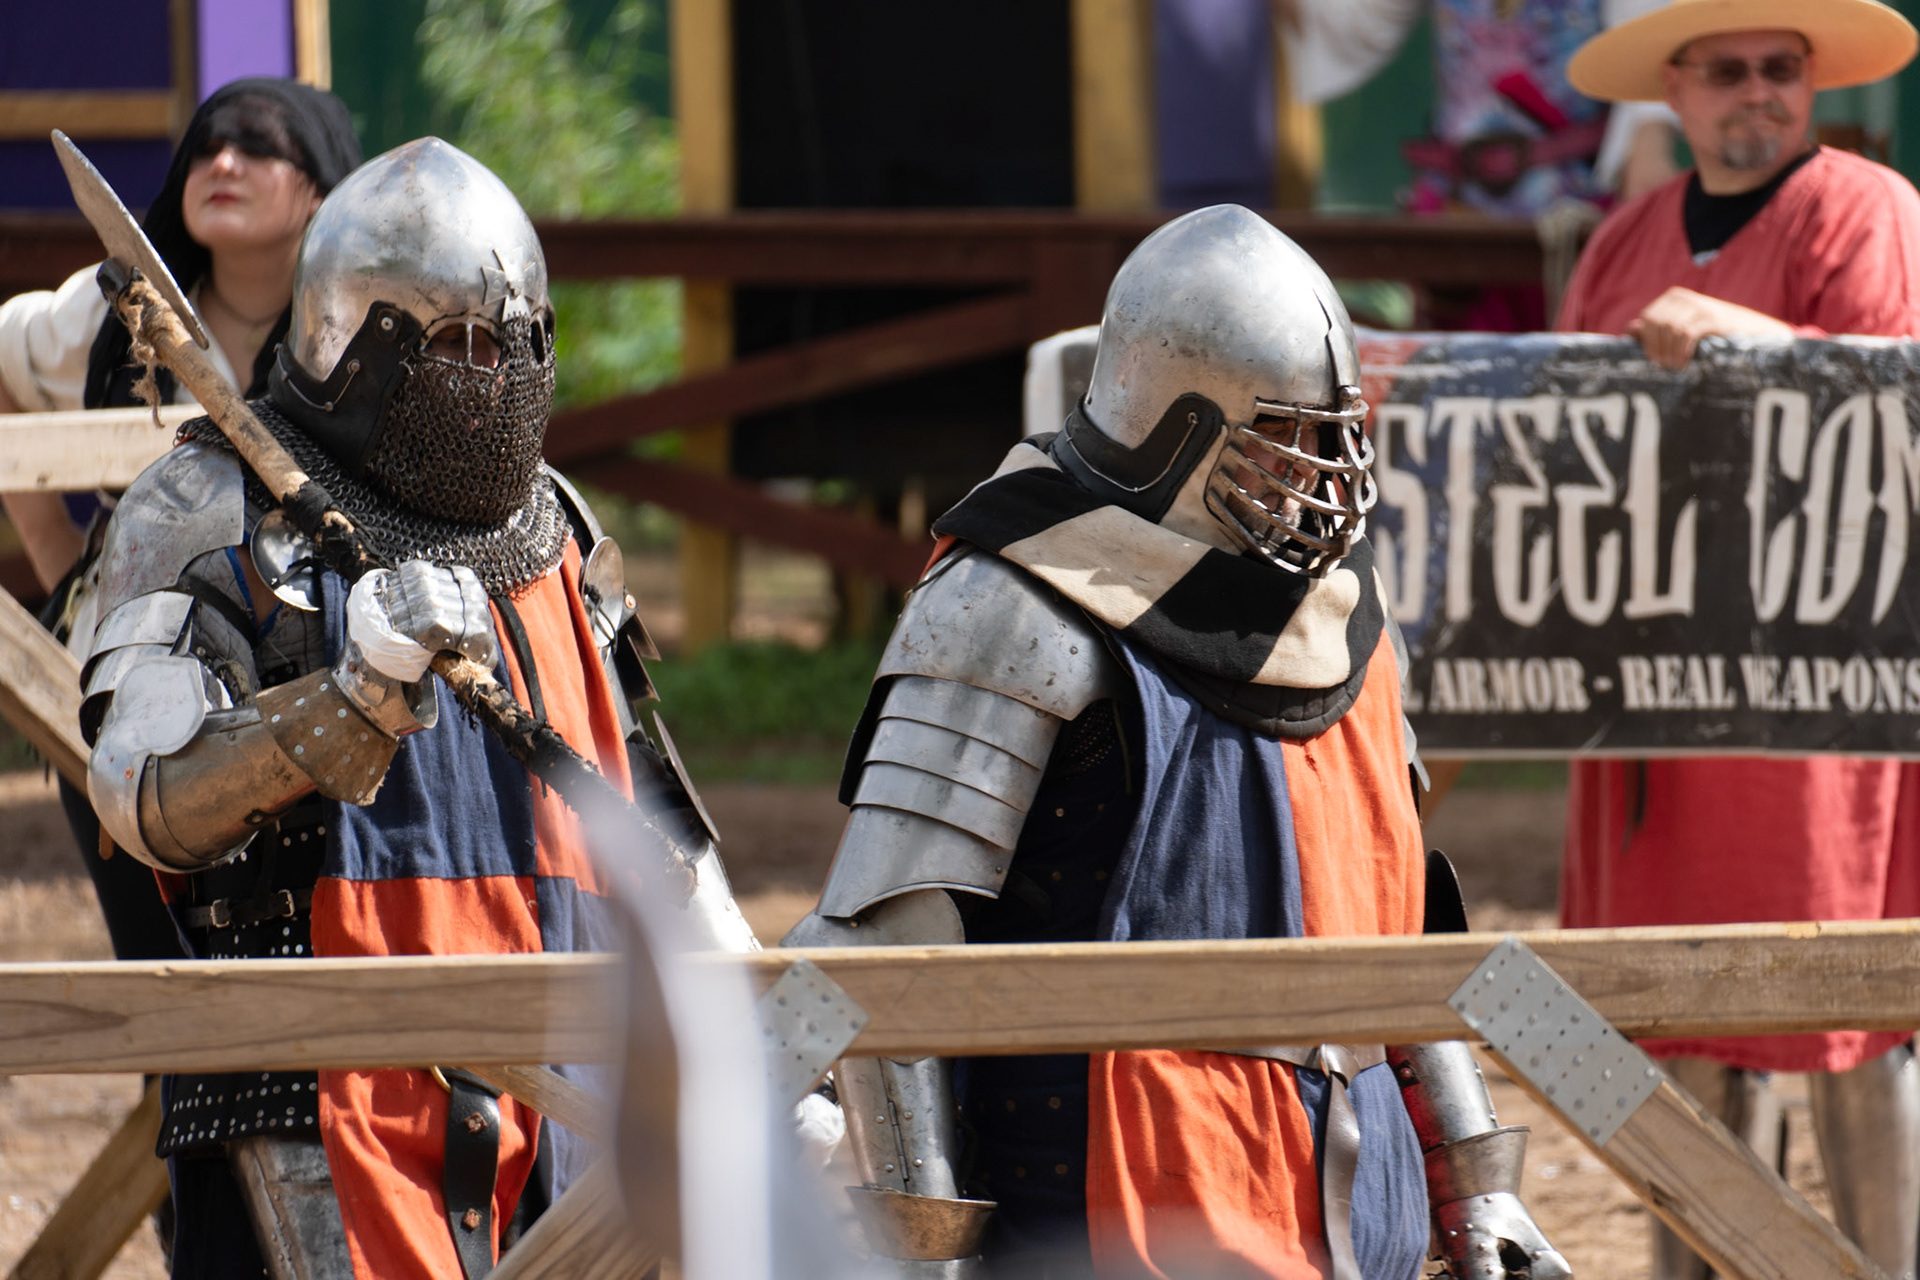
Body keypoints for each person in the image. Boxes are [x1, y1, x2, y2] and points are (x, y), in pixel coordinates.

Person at [787, 205, 1568, 1278]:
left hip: (1360, 1221)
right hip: (1115, 1217)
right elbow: (884, 947)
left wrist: (1479, 1192)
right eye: (1286, 437)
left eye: (1335, 435)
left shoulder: (1349, 619)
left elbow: (1405, 930)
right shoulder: (1012, 602)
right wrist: (924, 1250)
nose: (1323, 471)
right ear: (1176, 431)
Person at [78, 137, 756, 1280]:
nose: (498, 377)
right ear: (359, 345)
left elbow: (637, 798)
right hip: (311, 1076)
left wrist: (756, 1025)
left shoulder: (553, 524)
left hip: (577, 1075)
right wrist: (346, 700)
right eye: (459, 346)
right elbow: (141, 795)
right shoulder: (207, 503)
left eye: (522, 343)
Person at [1556, 3, 1920, 1277]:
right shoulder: (1624, 239)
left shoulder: (1867, 210)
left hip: (1811, 680)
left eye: (1783, 68)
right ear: (1677, 88)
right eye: (1729, 70)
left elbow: (1893, 402)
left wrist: (1761, 345)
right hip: (1649, 677)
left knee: (1847, 987)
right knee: (1666, 999)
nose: (1758, 91)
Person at [0, 79, 361, 974]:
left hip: (327, 686)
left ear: (319, 187)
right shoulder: (111, 310)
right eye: (205, 148)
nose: (223, 162)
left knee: (315, 953)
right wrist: (56, 556)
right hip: (126, 684)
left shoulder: (362, 322)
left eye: (258, 147)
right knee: (161, 965)